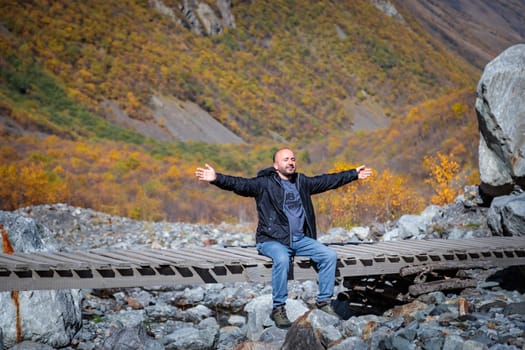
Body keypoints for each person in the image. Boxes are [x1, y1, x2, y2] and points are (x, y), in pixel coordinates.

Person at [195, 148, 372, 328]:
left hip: (300, 239)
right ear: (276, 165)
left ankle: (324, 301)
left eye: (293, 159)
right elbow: (241, 184)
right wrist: (216, 178)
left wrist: (353, 174)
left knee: (329, 255)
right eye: (286, 159)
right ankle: (278, 308)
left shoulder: (302, 182)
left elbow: (327, 180)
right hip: (271, 240)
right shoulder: (264, 183)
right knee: (282, 258)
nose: (290, 162)